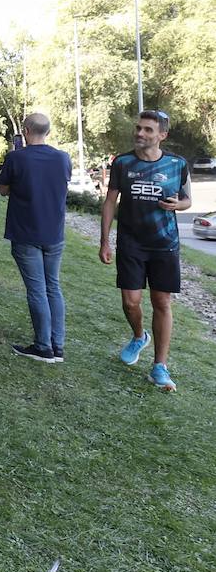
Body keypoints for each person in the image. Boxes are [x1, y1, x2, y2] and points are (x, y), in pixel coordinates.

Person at [100, 110, 191, 391]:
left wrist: (179, 205)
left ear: (162, 135)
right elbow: (110, 201)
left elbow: (187, 200)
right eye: (139, 128)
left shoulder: (178, 164)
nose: (140, 134)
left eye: (148, 130)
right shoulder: (123, 163)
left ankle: (159, 367)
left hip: (165, 244)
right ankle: (139, 336)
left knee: (162, 303)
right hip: (131, 242)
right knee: (131, 302)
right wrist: (104, 240)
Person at [0, 113, 70, 363]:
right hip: (54, 233)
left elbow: (3, 189)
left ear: (26, 130)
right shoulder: (63, 158)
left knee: (37, 289)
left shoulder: (16, 158)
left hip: (26, 231)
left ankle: (43, 346)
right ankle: (57, 345)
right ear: (47, 132)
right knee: (53, 287)